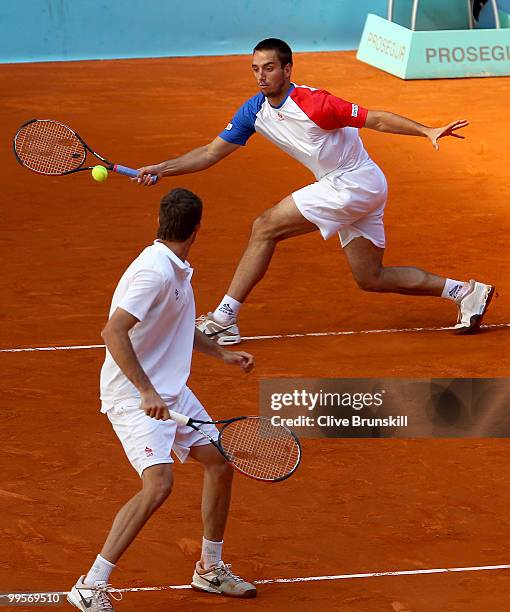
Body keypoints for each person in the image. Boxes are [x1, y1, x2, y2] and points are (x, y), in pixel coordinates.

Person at [136, 38, 494, 345]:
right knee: (370, 277)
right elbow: (210, 152)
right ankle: (465, 292)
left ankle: (224, 319)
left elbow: (376, 119)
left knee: (265, 227)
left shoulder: (315, 103)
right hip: (355, 185)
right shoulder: (254, 111)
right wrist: (161, 169)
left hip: (352, 182)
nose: (261, 76)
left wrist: (426, 130)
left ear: (288, 70)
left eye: (270, 68)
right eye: (255, 68)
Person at [67, 188, 257, 611]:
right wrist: (145, 391)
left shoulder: (175, 268)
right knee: (158, 485)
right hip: (133, 396)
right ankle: (90, 584)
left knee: (220, 463)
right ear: (197, 230)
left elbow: (181, 326)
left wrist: (222, 354)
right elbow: (112, 331)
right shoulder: (155, 273)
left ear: (160, 221)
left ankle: (209, 569)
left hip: (171, 392)